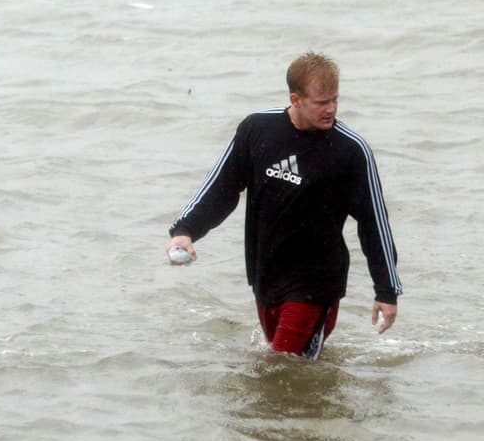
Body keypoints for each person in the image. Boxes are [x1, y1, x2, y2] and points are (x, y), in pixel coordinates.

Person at [166, 52, 402, 359]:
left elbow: (374, 223)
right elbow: (221, 188)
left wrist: (386, 290)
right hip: (266, 274)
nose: (331, 109)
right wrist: (185, 230)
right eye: (321, 102)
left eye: (335, 100)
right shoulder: (257, 130)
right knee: (283, 365)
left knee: (282, 366)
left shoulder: (350, 151)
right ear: (296, 98)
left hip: (316, 283)